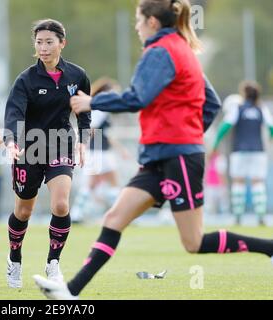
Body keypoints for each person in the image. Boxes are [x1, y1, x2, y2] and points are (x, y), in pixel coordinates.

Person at [33, 0, 273, 300]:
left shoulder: (160, 51)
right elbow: (210, 103)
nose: (135, 26)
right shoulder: (182, 48)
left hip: (178, 157)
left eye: (138, 20)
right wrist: (189, 135)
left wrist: (93, 102)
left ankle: (270, 249)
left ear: (152, 23)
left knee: (194, 242)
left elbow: (138, 98)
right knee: (114, 219)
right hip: (161, 157)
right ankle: (70, 292)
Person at [3, 19, 91, 288]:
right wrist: (10, 142)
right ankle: (14, 258)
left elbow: (84, 111)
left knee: (61, 205)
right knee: (23, 211)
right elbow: (14, 113)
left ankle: (53, 263)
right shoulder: (26, 80)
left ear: (62, 43)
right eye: (39, 42)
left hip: (61, 144)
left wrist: (83, 141)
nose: (43, 47)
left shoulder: (76, 76)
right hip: (29, 148)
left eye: (49, 42)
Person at [212, 81, 273, 225]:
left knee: (238, 182)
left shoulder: (237, 108)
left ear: (243, 94)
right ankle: (261, 216)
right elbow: (271, 127)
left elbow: (224, 126)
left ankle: (237, 217)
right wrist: (270, 139)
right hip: (258, 151)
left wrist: (215, 144)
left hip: (239, 151)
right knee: (257, 182)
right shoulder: (261, 109)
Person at [71, 77, 131, 223]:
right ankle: (121, 215)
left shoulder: (100, 109)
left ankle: (76, 214)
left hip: (98, 151)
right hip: (100, 152)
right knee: (113, 183)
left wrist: (121, 149)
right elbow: (90, 129)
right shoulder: (99, 109)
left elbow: (105, 134)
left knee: (92, 184)